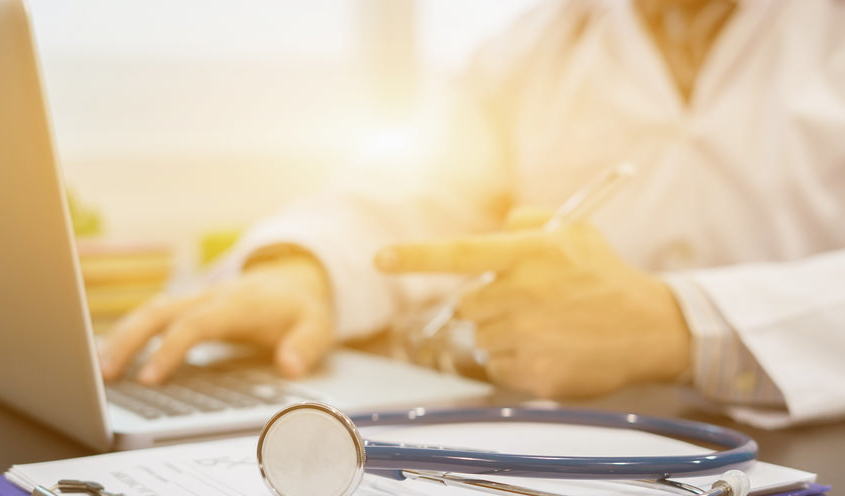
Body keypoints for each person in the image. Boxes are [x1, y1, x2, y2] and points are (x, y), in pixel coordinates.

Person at [98, 0, 845, 428]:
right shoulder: (541, 43)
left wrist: (678, 323)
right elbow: (415, 191)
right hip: (584, 458)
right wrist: (305, 273)